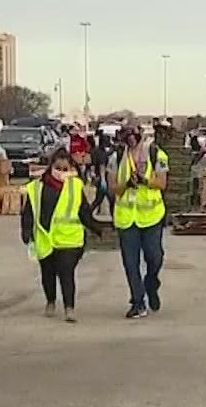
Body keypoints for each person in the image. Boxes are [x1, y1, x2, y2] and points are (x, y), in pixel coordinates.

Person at [20, 147, 102, 323]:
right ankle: (50, 300)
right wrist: (26, 232)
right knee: (48, 273)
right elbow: (29, 211)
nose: (62, 172)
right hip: (45, 238)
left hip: (69, 240)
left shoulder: (75, 186)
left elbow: (84, 211)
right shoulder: (36, 187)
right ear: (51, 167)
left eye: (66, 169)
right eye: (58, 168)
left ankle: (69, 308)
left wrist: (96, 228)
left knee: (66, 272)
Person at [113, 126, 170, 319]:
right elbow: (113, 187)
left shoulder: (155, 153)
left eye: (133, 135)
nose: (130, 139)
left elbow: (162, 183)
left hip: (151, 216)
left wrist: (145, 180)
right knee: (131, 263)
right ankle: (137, 302)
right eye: (126, 136)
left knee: (155, 258)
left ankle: (151, 284)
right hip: (127, 219)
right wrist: (127, 183)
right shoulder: (117, 157)